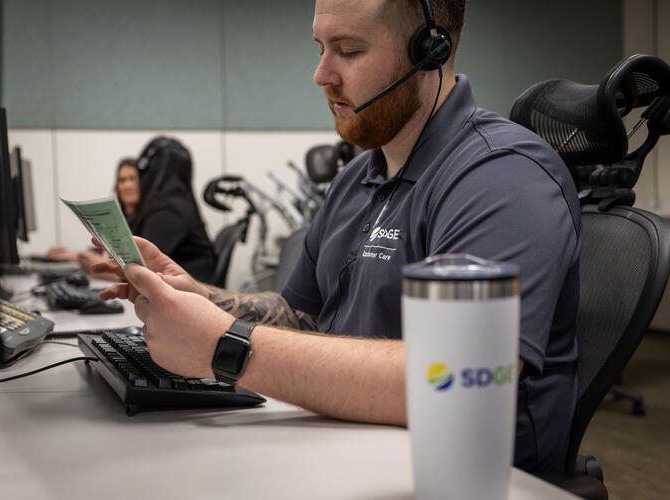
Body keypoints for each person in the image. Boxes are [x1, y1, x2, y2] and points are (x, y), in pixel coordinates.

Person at [94, 0, 580, 474]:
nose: (322, 74)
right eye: (320, 48)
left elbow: (453, 377)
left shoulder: (502, 176)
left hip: (459, 479)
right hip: (347, 447)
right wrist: (196, 297)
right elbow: (301, 316)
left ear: (429, 51)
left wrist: (225, 345)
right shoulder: (357, 178)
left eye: (348, 50)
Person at [130, 137, 217, 283]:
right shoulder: (178, 205)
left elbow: (141, 269)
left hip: (185, 298)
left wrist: (96, 265)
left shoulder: (168, 212)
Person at [46, 158, 141, 274]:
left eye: (132, 179)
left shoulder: (147, 221)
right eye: (122, 180)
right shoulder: (118, 219)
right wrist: (74, 255)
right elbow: (103, 251)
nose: (127, 185)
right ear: (117, 186)